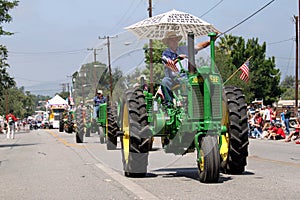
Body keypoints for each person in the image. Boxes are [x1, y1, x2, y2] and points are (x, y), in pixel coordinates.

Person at [160, 31, 208, 107]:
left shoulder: (184, 49)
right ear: (168, 42)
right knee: (164, 82)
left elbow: (198, 47)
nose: (175, 41)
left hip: (187, 76)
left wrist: (210, 41)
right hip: (174, 79)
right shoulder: (165, 54)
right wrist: (177, 58)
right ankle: (169, 105)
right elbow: (169, 64)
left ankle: (203, 103)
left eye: (176, 39)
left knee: (202, 80)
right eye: (172, 40)